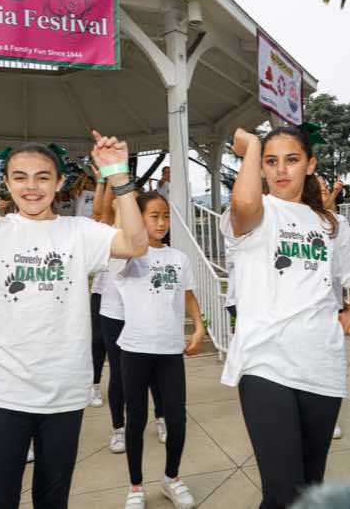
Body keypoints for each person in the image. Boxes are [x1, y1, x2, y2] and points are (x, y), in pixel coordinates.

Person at [0, 62, 148, 509]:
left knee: (52, 500)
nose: (31, 187)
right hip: (4, 392)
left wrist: (119, 179)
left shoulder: (79, 232)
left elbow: (134, 243)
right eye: (20, 177)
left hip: (65, 393)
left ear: (59, 183)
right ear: (7, 183)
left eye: (42, 177)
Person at [221, 126, 350, 509]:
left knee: (309, 490)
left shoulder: (330, 224)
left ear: (310, 164)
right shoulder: (256, 212)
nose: (281, 169)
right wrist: (253, 147)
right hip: (264, 363)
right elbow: (244, 205)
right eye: (271, 161)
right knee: (283, 493)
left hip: (321, 363)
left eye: (292, 159)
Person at [117, 191, 207, 509]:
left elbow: (188, 295)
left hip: (170, 351)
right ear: (139, 218)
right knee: (136, 418)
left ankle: (172, 478)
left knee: (177, 418)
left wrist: (199, 327)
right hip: (135, 349)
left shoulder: (178, 258)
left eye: (165, 216)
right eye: (154, 216)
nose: (161, 222)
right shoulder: (128, 256)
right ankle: (136, 486)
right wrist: (124, 202)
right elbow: (120, 232)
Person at [97, 183, 167, 454]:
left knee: (154, 370)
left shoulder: (154, 244)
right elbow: (115, 253)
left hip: (144, 314)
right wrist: (116, 208)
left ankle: (161, 417)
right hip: (114, 313)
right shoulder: (110, 234)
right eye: (123, 202)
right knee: (118, 373)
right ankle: (119, 427)